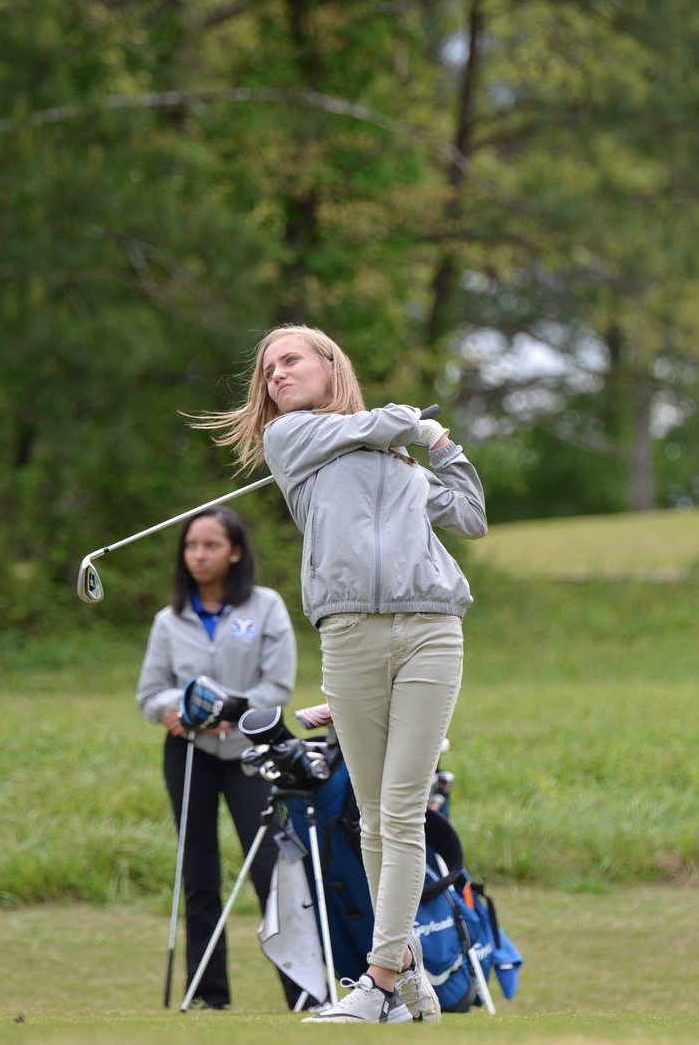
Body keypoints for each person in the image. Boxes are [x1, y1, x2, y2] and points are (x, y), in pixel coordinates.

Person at [194, 324, 487, 1024]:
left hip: (431, 631)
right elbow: (380, 423)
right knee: (376, 821)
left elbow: (471, 516)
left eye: (290, 360)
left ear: (331, 364)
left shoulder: (398, 462)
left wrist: (441, 449)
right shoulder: (290, 442)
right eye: (267, 370)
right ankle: (409, 976)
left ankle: (382, 981)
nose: (276, 376)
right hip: (350, 635)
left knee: (400, 809)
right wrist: (411, 424)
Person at [136, 506, 303, 1011]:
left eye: (210, 545)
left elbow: (276, 689)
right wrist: (177, 710)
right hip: (189, 754)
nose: (198, 555)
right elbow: (151, 694)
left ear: (235, 551)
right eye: (191, 546)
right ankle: (209, 996)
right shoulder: (170, 619)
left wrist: (226, 708)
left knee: (271, 870)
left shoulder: (266, 607)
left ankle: (305, 993)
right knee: (200, 874)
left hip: (252, 753)